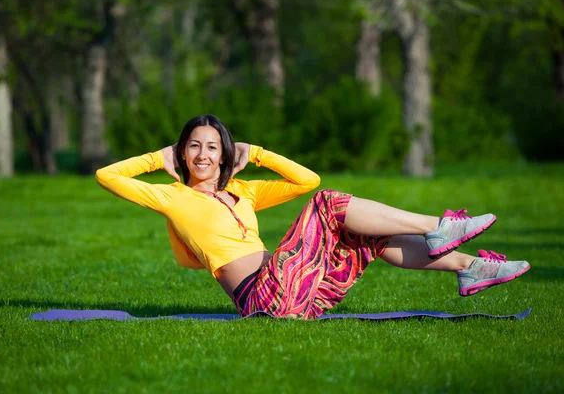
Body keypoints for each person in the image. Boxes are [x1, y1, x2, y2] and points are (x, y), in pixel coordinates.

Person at [96, 114, 530, 320]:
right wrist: (156, 158)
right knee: (328, 205)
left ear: (225, 152)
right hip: (264, 299)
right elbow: (106, 175)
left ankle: (470, 267)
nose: (203, 155)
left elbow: (306, 178)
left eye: (212, 146)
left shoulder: (242, 191)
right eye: (193, 146)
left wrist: (260, 153)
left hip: (301, 292)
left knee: (363, 235)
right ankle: (438, 226)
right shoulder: (173, 197)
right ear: (182, 152)